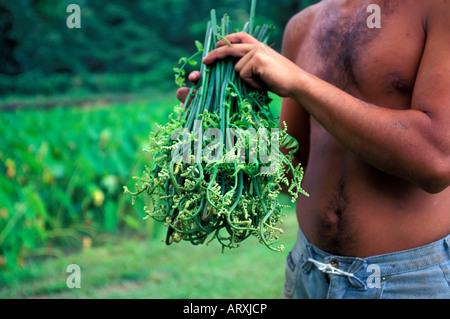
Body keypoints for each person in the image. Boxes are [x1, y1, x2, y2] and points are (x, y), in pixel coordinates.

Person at [177, 0, 450, 299]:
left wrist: (299, 82)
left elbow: (436, 160)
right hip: (308, 271)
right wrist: (225, 130)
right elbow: (292, 171)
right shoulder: (303, 25)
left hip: (408, 279)